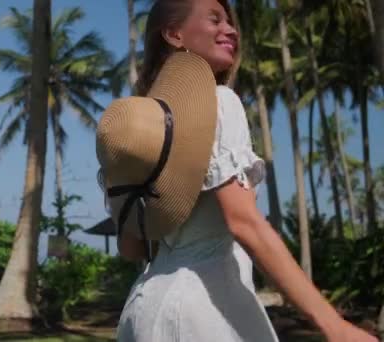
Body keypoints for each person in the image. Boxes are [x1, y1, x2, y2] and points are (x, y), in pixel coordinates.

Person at [101, 0, 379, 341]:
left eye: (230, 22)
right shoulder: (220, 102)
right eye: (215, 19)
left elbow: (131, 247)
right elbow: (243, 221)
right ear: (174, 34)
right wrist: (335, 326)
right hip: (204, 311)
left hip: (142, 310)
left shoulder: (147, 129)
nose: (231, 30)